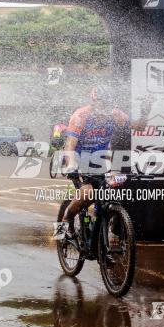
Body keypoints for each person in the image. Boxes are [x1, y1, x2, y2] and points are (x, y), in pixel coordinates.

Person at [58, 85, 150, 237]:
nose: (103, 107)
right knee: (88, 192)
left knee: (109, 192)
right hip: (78, 159)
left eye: (106, 103)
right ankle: (66, 220)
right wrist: (71, 165)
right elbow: (70, 144)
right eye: (99, 103)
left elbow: (139, 126)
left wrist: (146, 109)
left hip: (99, 161)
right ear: (92, 102)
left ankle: (96, 234)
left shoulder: (114, 114)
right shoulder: (80, 116)